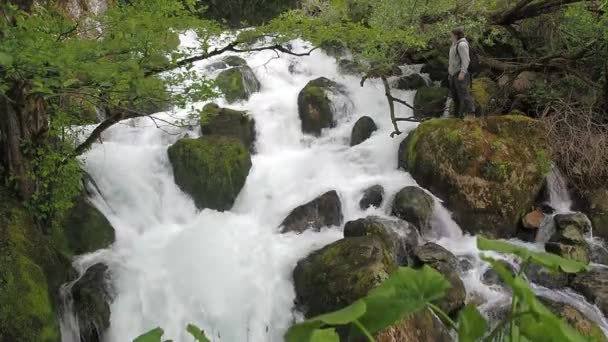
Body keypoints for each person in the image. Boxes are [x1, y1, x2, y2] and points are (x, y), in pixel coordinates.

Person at [448, 27, 475, 118]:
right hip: (452, 73)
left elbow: (466, 59)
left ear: (456, 35)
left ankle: (471, 113)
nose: (450, 36)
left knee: (464, 94)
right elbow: (453, 58)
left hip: (460, 73)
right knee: (455, 96)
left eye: (451, 35)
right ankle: (456, 115)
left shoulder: (462, 44)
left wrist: (462, 72)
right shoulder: (454, 44)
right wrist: (449, 67)